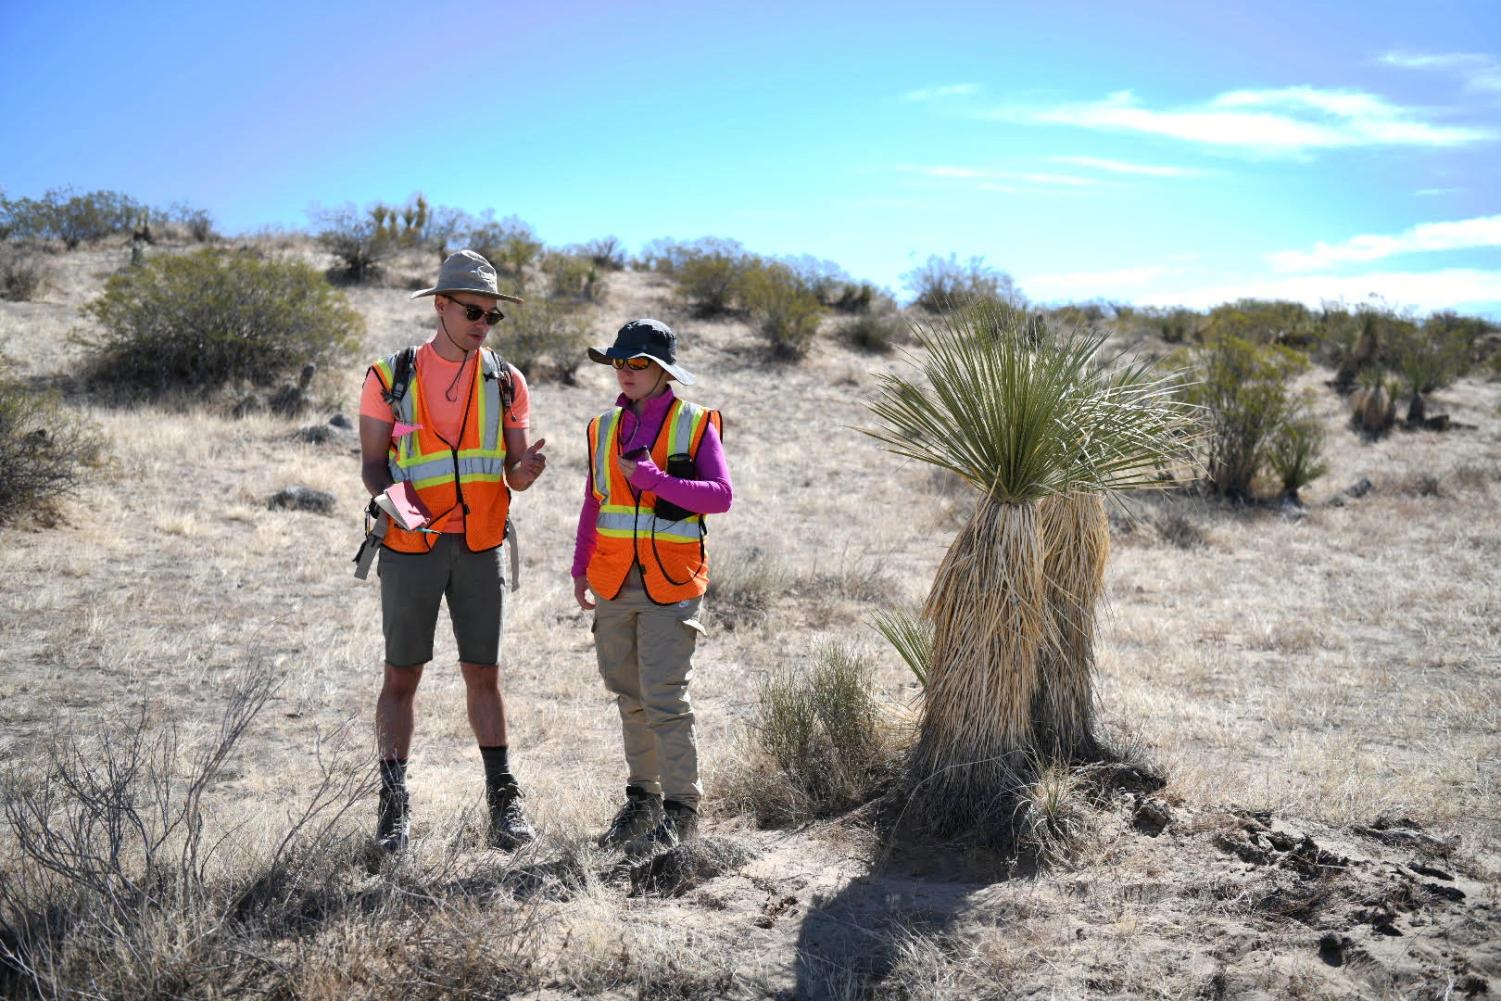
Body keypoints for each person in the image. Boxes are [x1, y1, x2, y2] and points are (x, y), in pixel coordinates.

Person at [358, 249, 547, 854]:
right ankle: (393, 808)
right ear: (440, 306)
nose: (482, 323)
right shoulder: (388, 377)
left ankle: (504, 806)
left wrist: (527, 471)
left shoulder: (507, 380)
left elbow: (513, 474)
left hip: (482, 545)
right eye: (472, 310)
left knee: (484, 675)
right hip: (411, 547)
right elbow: (371, 465)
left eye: (492, 315)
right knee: (401, 677)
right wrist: (399, 504)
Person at [572, 319, 732, 852]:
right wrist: (580, 568)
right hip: (613, 578)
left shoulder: (695, 423)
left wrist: (656, 481)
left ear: (663, 372)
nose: (624, 372)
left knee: (664, 697)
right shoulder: (601, 427)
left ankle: (682, 811)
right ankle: (642, 800)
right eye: (618, 362)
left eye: (636, 363)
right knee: (628, 696)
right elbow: (595, 502)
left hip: (671, 582)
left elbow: (720, 496)